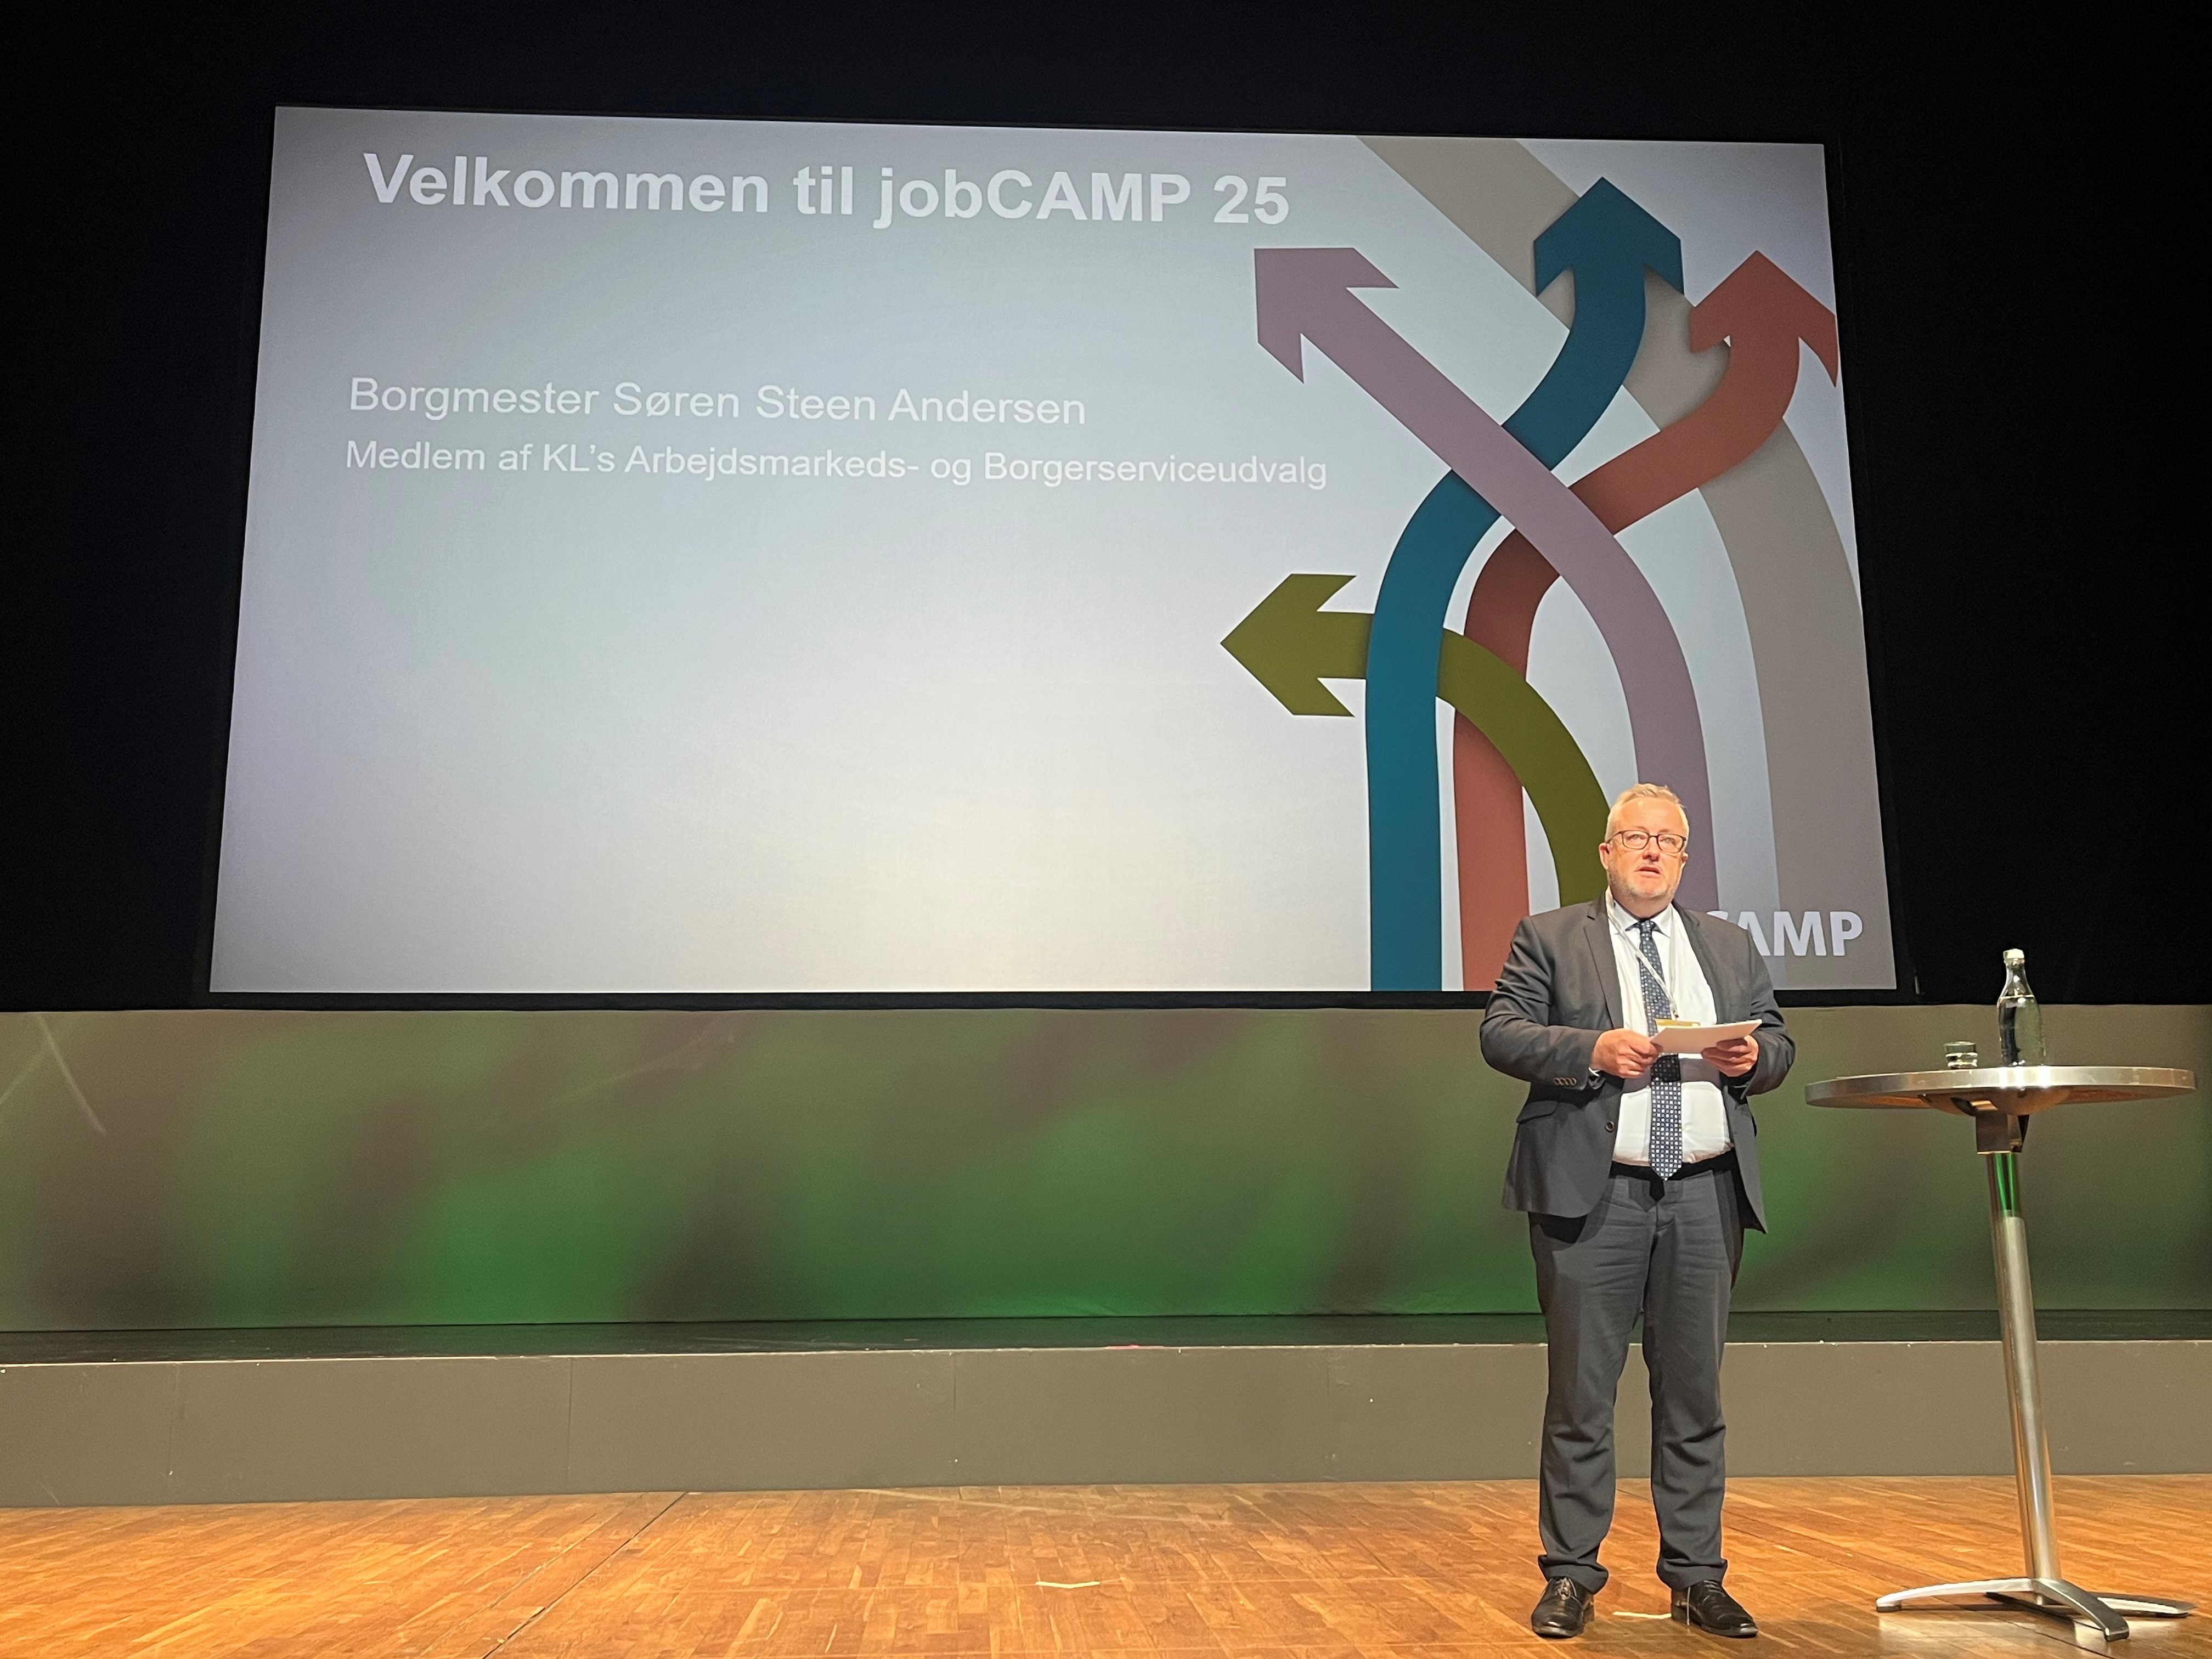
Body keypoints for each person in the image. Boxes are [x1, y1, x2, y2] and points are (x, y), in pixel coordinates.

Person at [1480, 783, 1793, 1640]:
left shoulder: (1726, 944)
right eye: (1636, 837)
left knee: (1694, 1395)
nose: (1652, 851)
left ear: (1684, 858)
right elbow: (1501, 1031)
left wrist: (1752, 1058)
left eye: (1668, 841)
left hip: (1703, 1193)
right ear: (1607, 852)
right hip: (1596, 1195)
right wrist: (1592, 1049)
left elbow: (1779, 1043)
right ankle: (1571, 1573)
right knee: (1582, 1395)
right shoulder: (1551, 936)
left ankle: (1697, 1577)